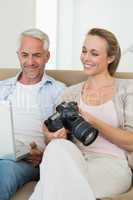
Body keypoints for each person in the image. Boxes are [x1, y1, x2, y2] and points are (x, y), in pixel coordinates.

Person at [29, 27, 133, 200]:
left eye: (94, 53)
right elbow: (58, 143)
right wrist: (51, 137)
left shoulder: (127, 89)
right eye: (84, 51)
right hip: (73, 160)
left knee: (56, 186)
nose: (85, 58)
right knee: (56, 148)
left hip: (112, 165)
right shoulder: (69, 94)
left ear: (111, 57)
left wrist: (92, 121)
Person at [0, 28, 66, 200]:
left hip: (29, 161)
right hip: (2, 152)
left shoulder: (59, 91)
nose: (30, 62)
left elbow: (65, 140)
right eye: (24, 55)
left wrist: (44, 156)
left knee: (4, 170)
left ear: (47, 56)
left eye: (37, 55)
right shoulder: (2, 88)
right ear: (18, 55)